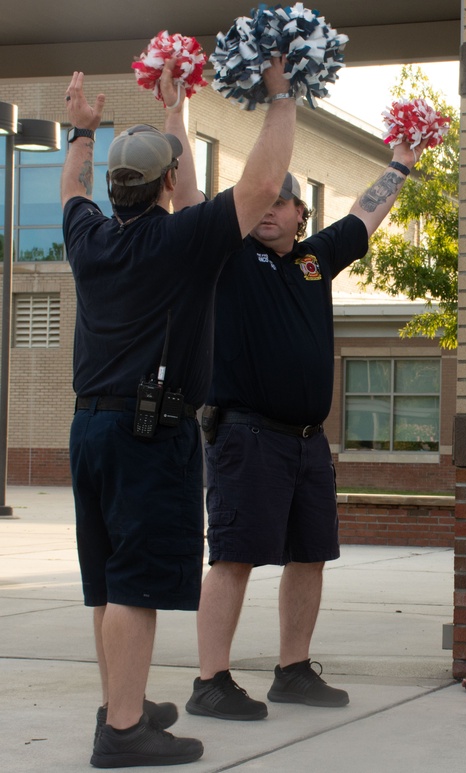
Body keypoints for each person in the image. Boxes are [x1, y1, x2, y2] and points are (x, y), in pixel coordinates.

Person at [63, 57, 296, 767]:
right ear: (166, 183)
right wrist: (282, 95)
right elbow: (259, 185)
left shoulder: (89, 235)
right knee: (135, 582)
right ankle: (125, 731)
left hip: (90, 430)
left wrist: (82, 132)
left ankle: (119, 704)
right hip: (148, 434)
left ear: (115, 186)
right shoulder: (181, 243)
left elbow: (72, 184)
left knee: (108, 580)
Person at [185, 137, 429, 720]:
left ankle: (293, 670)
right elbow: (192, 203)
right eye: (259, 200)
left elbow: (365, 216)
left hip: (306, 442)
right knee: (234, 556)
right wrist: (176, 113)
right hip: (246, 435)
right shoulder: (229, 255)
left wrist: (402, 165)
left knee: (311, 555)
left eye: (282, 200)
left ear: (301, 212)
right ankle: (209, 681)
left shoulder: (315, 261)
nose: (269, 209)